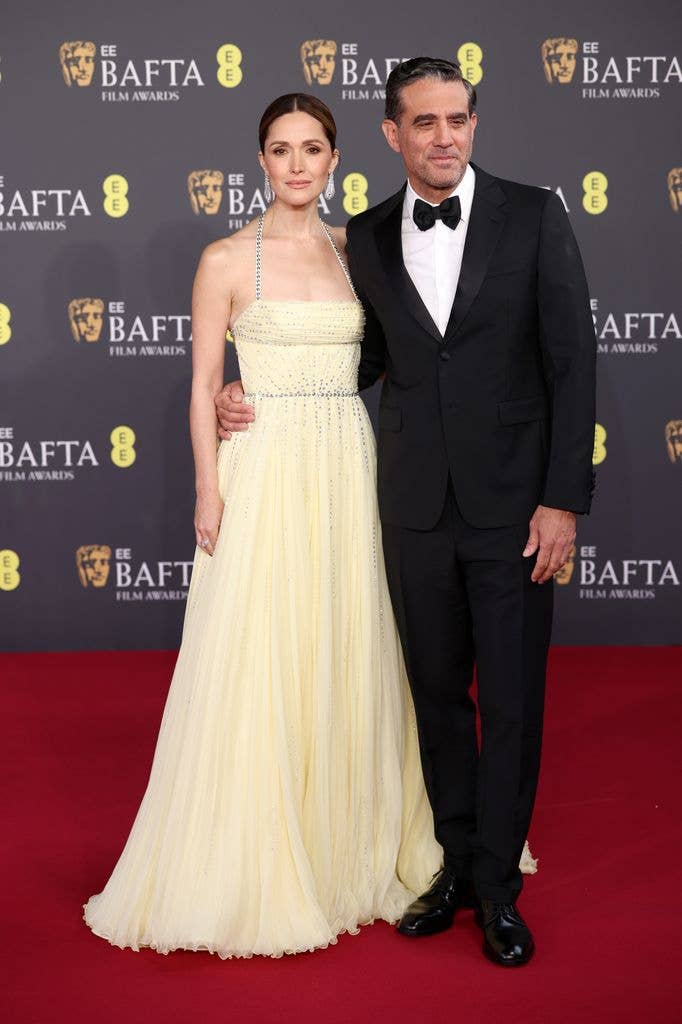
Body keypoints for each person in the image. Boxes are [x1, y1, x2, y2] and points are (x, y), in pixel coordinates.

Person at [216, 59, 595, 966]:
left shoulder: (535, 214)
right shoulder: (370, 236)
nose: (443, 137)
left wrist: (560, 503)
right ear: (392, 136)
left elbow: (573, 363)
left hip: (513, 511)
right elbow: (366, 359)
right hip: (412, 507)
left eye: (457, 119)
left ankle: (499, 891)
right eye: (423, 123)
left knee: (508, 704)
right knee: (433, 700)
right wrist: (255, 389)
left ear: (473, 123)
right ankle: (456, 866)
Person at [83, 93, 450, 960]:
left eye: (312, 148)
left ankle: (346, 843)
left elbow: (389, 358)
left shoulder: (358, 249)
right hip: (265, 467)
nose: (296, 164)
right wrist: (209, 490)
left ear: (335, 160)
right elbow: (205, 385)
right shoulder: (223, 261)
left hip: (348, 466)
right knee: (261, 652)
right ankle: (257, 856)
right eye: (281, 149)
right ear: (260, 159)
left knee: (344, 643)